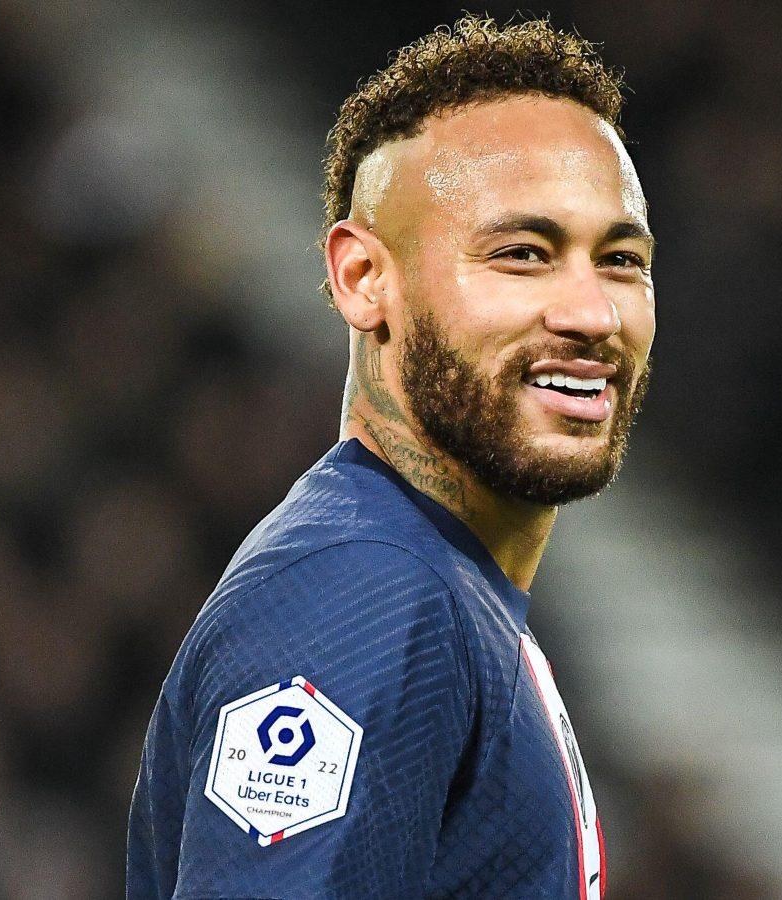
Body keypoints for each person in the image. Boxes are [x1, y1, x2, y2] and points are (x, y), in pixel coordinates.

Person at [128, 15, 654, 899]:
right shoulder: (363, 592)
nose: (591, 313)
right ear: (365, 279)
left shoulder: (445, 590)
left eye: (620, 260)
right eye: (521, 254)